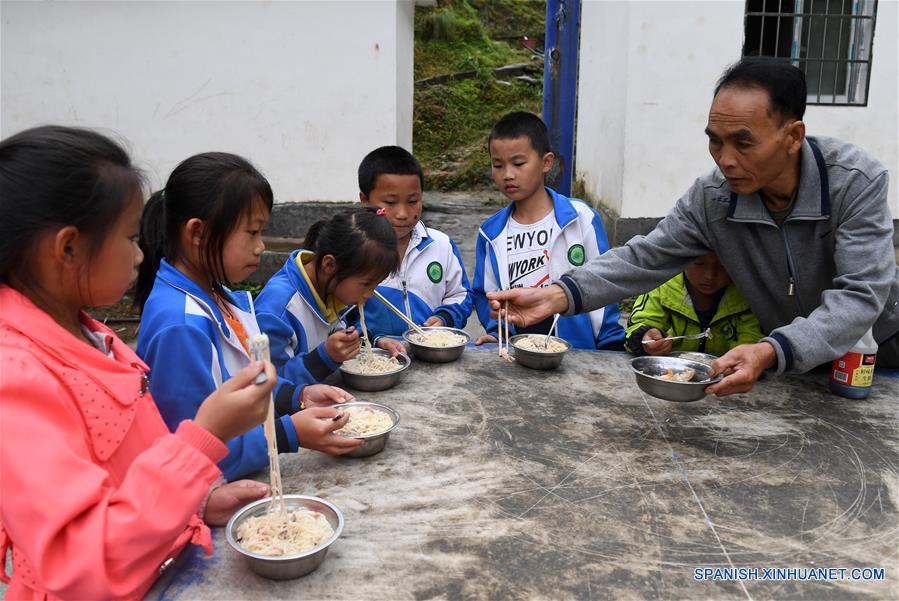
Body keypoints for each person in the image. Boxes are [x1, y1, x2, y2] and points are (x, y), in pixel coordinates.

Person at [487, 57, 899, 395]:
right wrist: (558, 295)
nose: (725, 159)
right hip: (789, 361)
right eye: (715, 140)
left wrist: (772, 350)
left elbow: (861, 295)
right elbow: (644, 257)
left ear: (792, 136)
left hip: (873, 357)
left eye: (743, 142)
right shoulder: (714, 197)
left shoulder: (853, 182)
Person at [0, 126, 278, 599]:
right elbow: (80, 562)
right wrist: (201, 442)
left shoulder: (90, 334)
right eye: (130, 237)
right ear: (67, 248)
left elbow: (125, 472)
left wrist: (197, 501)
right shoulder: (16, 377)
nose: (140, 252)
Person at [136, 153, 362, 482]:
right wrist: (286, 434)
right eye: (252, 232)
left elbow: (238, 380)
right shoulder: (181, 326)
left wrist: (296, 396)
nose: (260, 247)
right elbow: (191, 449)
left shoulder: (216, 295)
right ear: (197, 233)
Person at [472, 111, 626, 350]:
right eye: (498, 165)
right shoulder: (491, 233)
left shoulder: (579, 218)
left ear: (546, 162)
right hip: (519, 352)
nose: (508, 174)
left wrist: (609, 344)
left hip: (579, 352)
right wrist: (497, 334)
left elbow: (602, 281)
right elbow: (486, 295)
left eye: (518, 163)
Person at [254, 207, 399, 382]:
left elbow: (344, 329)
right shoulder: (279, 308)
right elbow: (265, 384)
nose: (370, 294)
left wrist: (374, 341)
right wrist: (324, 357)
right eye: (367, 284)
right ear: (329, 265)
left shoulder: (332, 288)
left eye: (376, 284)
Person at [355, 145, 473, 352]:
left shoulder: (440, 245)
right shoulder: (354, 252)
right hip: (374, 359)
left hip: (432, 356)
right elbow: (338, 315)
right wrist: (375, 340)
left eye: (413, 201)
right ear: (364, 200)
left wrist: (445, 317)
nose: (403, 213)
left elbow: (460, 295)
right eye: (390, 202)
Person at [625, 250, 764, 356]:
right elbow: (637, 327)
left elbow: (751, 341)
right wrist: (645, 338)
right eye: (698, 263)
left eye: (722, 265)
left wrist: (743, 360)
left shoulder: (746, 296)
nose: (710, 275)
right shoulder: (662, 285)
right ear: (683, 260)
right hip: (671, 378)